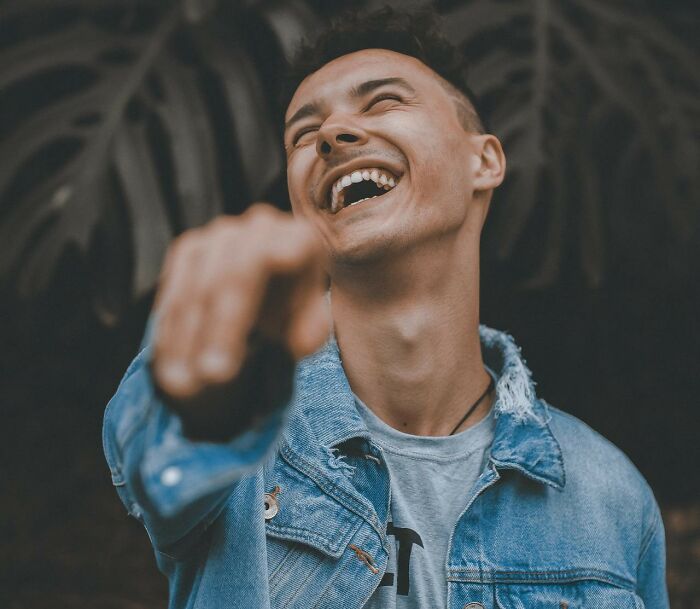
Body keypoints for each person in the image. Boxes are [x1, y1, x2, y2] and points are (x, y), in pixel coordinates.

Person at [103, 7, 668, 609]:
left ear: (484, 161)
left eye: (382, 103)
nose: (331, 135)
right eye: (302, 133)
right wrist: (205, 395)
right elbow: (160, 457)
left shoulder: (610, 495)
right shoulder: (242, 412)